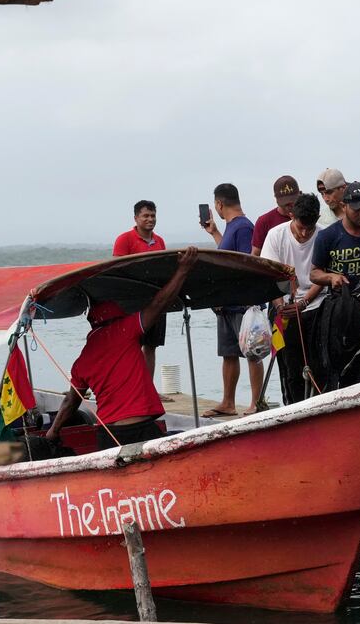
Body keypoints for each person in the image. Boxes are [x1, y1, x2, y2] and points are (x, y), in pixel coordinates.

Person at [48, 247, 199, 450]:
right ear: (117, 317)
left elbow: (70, 402)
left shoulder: (81, 362)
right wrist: (183, 270)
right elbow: (159, 303)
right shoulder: (125, 329)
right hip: (140, 429)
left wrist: (53, 431)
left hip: (107, 436)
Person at [311, 182, 360, 384]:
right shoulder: (327, 236)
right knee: (342, 368)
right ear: (344, 206)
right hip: (342, 312)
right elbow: (314, 274)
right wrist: (330, 277)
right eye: (358, 209)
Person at [201, 183, 262, 416]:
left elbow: (247, 263)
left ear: (219, 204)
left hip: (242, 304)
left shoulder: (244, 227)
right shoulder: (230, 228)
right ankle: (228, 402)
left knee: (251, 352)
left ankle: (257, 402)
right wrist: (215, 233)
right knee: (228, 353)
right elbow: (229, 256)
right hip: (227, 303)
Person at [260, 192, 324, 403]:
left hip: (316, 304)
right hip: (284, 304)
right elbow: (270, 278)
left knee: (318, 364)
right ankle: (292, 405)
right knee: (290, 366)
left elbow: (321, 277)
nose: (305, 233)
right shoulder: (275, 235)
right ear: (291, 216)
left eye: (309, 228)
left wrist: (304, 303)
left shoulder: (323, 236)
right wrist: (280, 307)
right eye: (300, 227)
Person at [113, 199, 168, 382]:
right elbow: (117, 269)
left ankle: (148, 386)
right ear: (136, 218)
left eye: (153, 216)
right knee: (132, 344)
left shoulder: (159, 241)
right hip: (133, 301)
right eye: (145, 216)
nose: (150, 219)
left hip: (156, 299)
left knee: (151, 345)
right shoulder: (124, 239)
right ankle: (131, 384)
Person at [252, 175, 301, 253]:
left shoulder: (308, 216)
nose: (290, 206)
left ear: (300, 194)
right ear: (276, 199)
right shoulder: (264, 222)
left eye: (294, 202)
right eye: (286, 204)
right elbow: (255, 254)